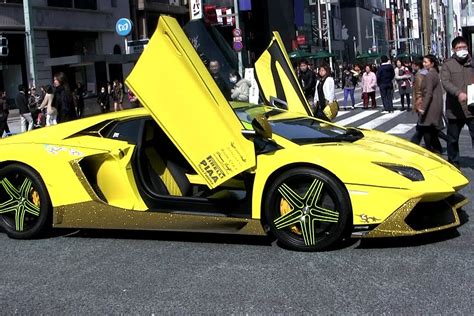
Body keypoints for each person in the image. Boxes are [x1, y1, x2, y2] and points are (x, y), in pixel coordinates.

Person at [440, 36, 474, 168]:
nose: (462, 50)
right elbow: (446, 82)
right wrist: (458, 92)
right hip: (454, 109)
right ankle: (454, 162)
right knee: (452, 138)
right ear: (454, 49)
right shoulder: (448, 64)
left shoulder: (472, 63)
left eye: (464, 47)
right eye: (459, 48)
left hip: (472, 108)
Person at [417, 55, 444, 153]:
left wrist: (423, 107)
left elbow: (428, 93)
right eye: (423, 62)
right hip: (435, 104)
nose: (424, 64)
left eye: (426, 62)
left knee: (426, 129)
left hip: (430, 106)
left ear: (432, 63)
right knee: (431, 130)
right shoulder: (435, 73)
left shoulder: (429, 75)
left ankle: (430, 150)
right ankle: (437, 149)